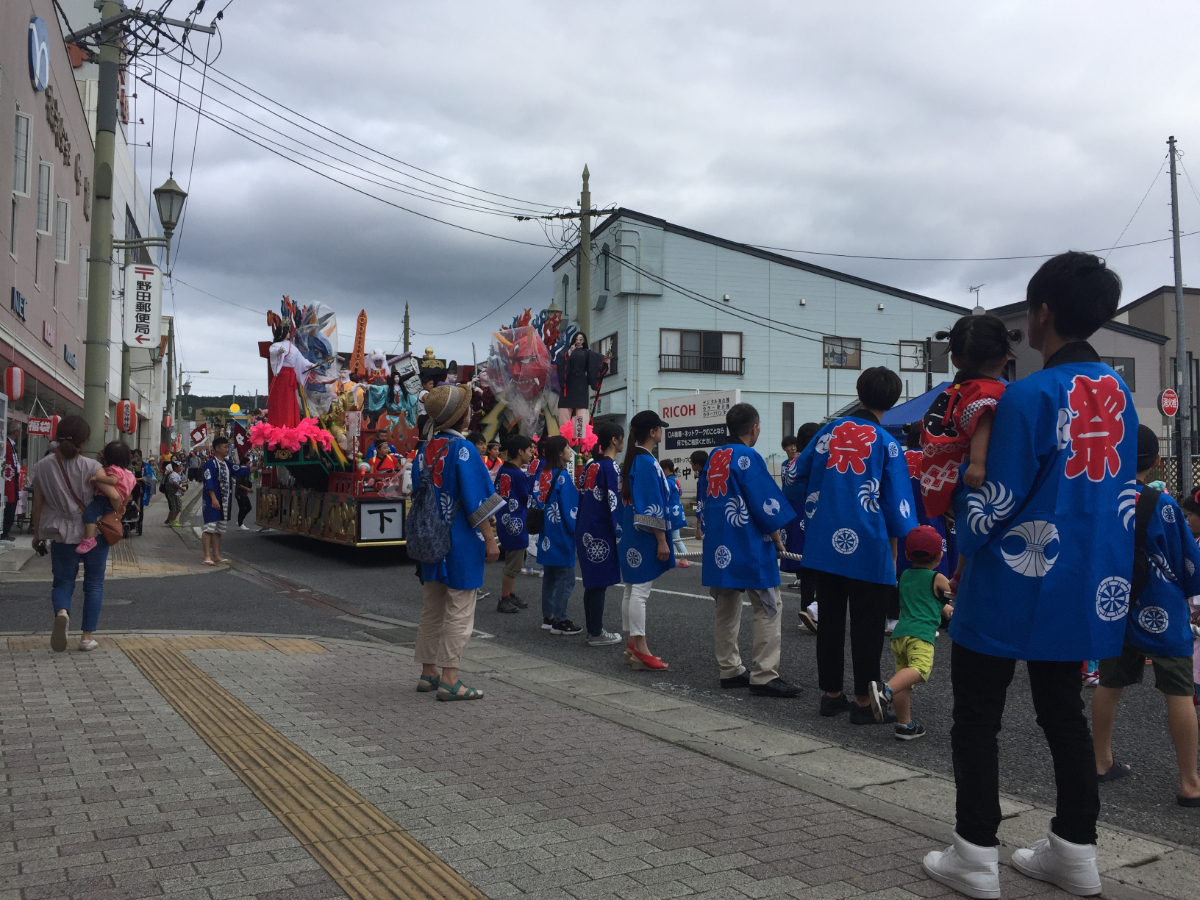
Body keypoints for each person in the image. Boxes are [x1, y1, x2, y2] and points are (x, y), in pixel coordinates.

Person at [923, 252, 1136, 899]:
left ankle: (975, 854)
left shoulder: (1028, 395)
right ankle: (1076, 851)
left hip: (1011, 579)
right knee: (1061, 715)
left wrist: (950, 508)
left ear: (1043, 313)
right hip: (1083, 577)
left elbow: (995, 499)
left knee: (978, 715)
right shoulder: (1120, 393)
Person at [789, 367, 918, 724]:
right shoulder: (888, 443)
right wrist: (892, 554)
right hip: (870, 546)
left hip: (825, 544)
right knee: (867, 625)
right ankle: (864, 700)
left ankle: (831, 695)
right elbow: (896, 507)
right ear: (892, 401)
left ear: (859, 394)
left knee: (830, 619)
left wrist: (819, 503)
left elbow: (794, 476)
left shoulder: (828, 431)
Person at [1091, 425, 1200, 806]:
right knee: (1179, 690)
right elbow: (1187, 562)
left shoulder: (1102, 498)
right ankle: (1190, 782)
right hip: (1161, 608)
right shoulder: (1164, 505)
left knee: (1110, 683)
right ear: (1156, 462)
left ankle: (1100, 762)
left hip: (1114, 603)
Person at [698, 403, 800, 697]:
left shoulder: (714, 457)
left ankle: (729, 669)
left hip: (720, 543)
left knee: (726, 605)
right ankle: (764, 674)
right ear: (754, 427)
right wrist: (778, 539)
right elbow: (764, 502)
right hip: (749, 541)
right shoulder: (747, 457)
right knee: (768, 604)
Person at [412, 385, 504, 700]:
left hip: (429, 538)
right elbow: (477, 500)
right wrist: (491, 540)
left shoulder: (423, 450)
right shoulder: (463, 450)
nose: (471, 413)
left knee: (433, 606)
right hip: (460, 539)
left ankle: (429, 672)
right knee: (459, 607)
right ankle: (451, 678)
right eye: (468, 409)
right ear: (460, 415)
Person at [920, 314, 1020, 589]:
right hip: (968, 472)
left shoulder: (955, 390)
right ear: (1005, 357)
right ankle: (961, 573)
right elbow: (982, 420)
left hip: (942, 473)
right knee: (974, 526)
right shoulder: (989, 391)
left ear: (954, 359)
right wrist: (978, 463)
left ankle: (959, 573)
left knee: (966, 525)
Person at [29, 416, 108, 652]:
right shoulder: (93, 467)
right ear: (85, 439)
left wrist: (37, 534)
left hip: (60, 532)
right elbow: (109, 497)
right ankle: (86, 638)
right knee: (94, 584)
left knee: (62, 582)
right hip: (92, 532)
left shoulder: (41, 467)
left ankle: (62, 611)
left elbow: (38, 504)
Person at [868, 525, 954, 740]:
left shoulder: (905, 575)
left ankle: (905, 725)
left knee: (904, 683)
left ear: (907, 554)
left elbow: (925, 599)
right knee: (920, 669)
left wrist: (944, 608)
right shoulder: (938, 579)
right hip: (920, 636)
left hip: (900, 635)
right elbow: (954, 594)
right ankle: (884, 690)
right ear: (940, 555)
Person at [618, 410, 675, 670]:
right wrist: (662, 539)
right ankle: (640, 647)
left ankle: (632, 643)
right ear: (653, 432)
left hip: (633, 533)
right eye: (659, 428)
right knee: (640, 591)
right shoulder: (646, 461)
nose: (661, 431)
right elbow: (652, 503)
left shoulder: (635, 459)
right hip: (645, 534)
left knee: (632, 589)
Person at [576, 423, 624, 646]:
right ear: (615, 440)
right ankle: (595, 632)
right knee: (599, 582)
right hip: (602, 530)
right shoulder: (610, 467)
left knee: (592, 581)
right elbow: (614, 502)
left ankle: (593, 629)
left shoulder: (591, 465)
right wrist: (620, 531)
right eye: (621, 438)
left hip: (587, 526)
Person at [534, 435, 582, 635]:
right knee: (565, 577)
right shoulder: (563, 476)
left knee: (550, 577)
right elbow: (571, 509)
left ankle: (548, 617)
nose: (571, 451)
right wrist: (577, 529)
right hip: (561, 532)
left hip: (546, 532)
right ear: (560, 453)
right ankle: (561, 620)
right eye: (568, 448)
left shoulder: (542, 474)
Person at [782, 422, 822, 631]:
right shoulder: (821, 460)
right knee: (824, 570)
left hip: (798, 518)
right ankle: (816, 610)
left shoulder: (794, 465)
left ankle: (808, 610)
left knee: (807, 571)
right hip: (819, 521)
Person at [496, 435, 534, 613]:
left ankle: (510, 594)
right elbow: (527, 498)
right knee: (513, 564)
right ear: (520, 452)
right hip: (517, 521)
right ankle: (504, 598)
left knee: (515, 559)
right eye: (529, 449)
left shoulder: (503, 469)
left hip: (505, 519)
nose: (532, 452)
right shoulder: (518, 474)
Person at [75, 441, 135, 555]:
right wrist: (123, 506)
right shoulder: (130, 475)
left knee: (89, 515)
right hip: (115, 503)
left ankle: (89, 539)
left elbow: (113, 480)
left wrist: (97, 478)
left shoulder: (114, 469)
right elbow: (128, 493)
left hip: (104, 500)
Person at [202, 437, 253, 566]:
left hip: (225, 500)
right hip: (212, 500)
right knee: (209, 528)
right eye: (225, 447)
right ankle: (207, 556)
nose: (227, 449)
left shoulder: (227, 463)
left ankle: (216, 555)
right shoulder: (210, 464)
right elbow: (209, 481)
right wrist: (213, 498)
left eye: (228, 447)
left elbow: (240, 470)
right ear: (217, 448)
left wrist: (259, 467)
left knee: (219, 529)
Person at [555, 332, 606, 432]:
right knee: (564, 412)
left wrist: (605, 360)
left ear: (584, 341)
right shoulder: (566, 352)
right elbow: (561, 360)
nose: (578, 341)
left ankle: (581, 439)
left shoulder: (588, 353)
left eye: (581, 339)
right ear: (573, 340)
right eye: (577, 339)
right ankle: (565, 436)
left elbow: (597, 360)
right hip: (568, 383)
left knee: (581, 414)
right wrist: (569, 352)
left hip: (581, 384)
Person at [659, 458, 691, 566]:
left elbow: (664, 497)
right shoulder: (676, 481)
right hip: (678, 511)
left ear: (666, 469)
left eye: (662, 469)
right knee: (674, 537)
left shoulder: (667, 482)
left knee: (674, 538)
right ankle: (680, 557)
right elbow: (680, 493)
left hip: (671, 512)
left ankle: (684, 557)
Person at [3, 421, 22, 541]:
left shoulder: (10, 444)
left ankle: (6, 531)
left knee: (12, 503)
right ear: (16, 432)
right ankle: (4, 531)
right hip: (7, 479)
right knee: (8, 505)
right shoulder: (6, 445)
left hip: (12, 478)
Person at [162, 460, 185, 526]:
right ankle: (173, 520)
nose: (181, 467)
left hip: (176, 493)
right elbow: (175, 484)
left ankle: (169, 520)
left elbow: (178, 483)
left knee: (173, 508)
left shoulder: (176, 474)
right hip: (174, 494)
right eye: (179, 466)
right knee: (177, 508)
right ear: (175, 467)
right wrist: (181, 489)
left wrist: (183, 485)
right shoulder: (174, 474)